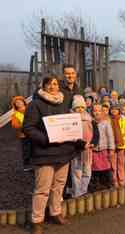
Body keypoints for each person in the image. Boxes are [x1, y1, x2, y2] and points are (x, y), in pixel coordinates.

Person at [23, 75, 85, 234]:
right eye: (49, 84)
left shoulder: (64, 103)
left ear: (59, 86)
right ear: (43, 86)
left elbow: (71, 124)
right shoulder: (35, 105)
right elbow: (28, 128)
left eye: (55, 84)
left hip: (64, 152)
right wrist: (46, 139)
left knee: (58, 186)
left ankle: (55, 212)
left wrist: (76, 139)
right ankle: (37, 220)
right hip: (44, 153)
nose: (53, 86)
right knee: (42, 188)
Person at [70, 95, 99, 198]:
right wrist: (81, 144)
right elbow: (70, 135)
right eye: (77, 107)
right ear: (74, 108)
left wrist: (93, 143)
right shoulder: (71, 119)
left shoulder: (90, 119)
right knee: (76, 171)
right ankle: (76, 192)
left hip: (88, 150)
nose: (80, 109)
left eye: (82, 107)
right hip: (76, 150)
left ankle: (83, 190)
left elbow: (96, 133)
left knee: (87, 170)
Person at [91, 104, 116, 190]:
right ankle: (97, 186)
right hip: (94, 150)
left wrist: (111, 149)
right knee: (95, 169)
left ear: (102, 112)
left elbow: (110, 136)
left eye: (99, 111)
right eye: (95, 111)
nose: (97, 113)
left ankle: (109, 184)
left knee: (106, 168)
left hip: (104, 149)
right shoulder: (91, 123)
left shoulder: (106, 123)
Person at [110, 104, 125, 187]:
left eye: (115, 109)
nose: (114, 111)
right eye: (112, 109)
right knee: (113, 165)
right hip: (112, 146)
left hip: (122, 145)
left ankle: (122, 181)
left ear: (119, 110)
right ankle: (114, 181)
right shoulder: (108, 119)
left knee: (121, 164)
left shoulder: (124, 119)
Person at [11, 96, 32, 171]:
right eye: (16, 102)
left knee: (34, 148)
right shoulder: (15, 114)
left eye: (20, 101)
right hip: (24, 135)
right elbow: (14, 125)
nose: (19, 103)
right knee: (26, 150)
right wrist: (23, 125)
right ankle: (27, 165)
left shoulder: (30, 110)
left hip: (33, 133)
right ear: (15, 105)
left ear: (23, 102)